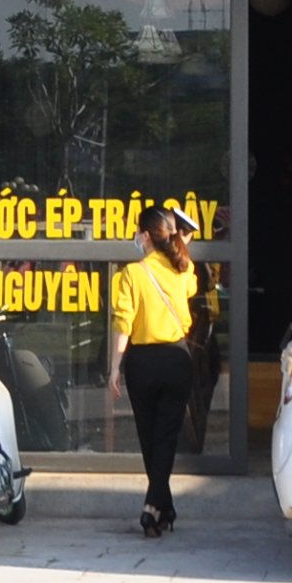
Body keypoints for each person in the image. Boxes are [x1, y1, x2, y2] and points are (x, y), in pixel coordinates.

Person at [103, 203, 208, 536]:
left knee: (149, 437)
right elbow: (190, 287)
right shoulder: (182, 268)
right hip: (177, 360)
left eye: (138, 232)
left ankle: (153, 506)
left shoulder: (131, 274)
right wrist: (182, 247)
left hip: (142, 363)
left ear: (146, 236)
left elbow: (123, 324)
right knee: (165, 437)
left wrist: (115, 367)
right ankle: (163, 507)